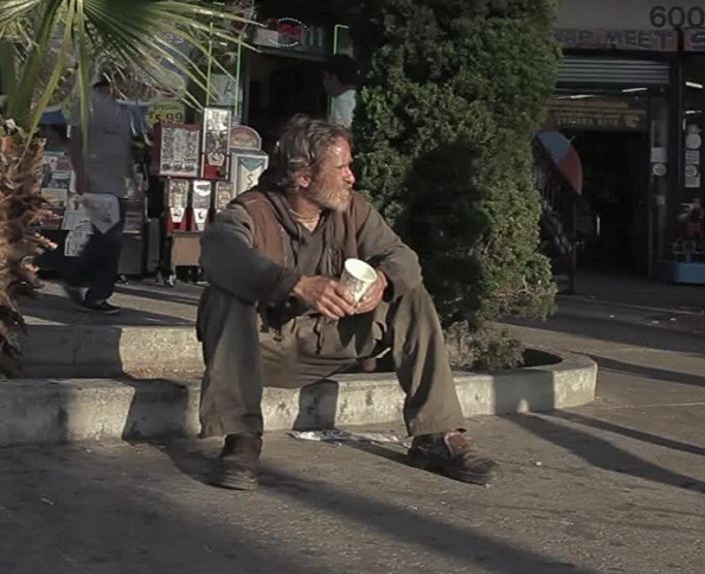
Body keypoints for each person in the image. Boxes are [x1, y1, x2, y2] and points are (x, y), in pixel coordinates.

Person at [197, 115, 499, 491]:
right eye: (340, 168)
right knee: (222, 295)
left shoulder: (353, 209)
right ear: (303, 176)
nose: (351, 177)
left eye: (349, 167)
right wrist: (296, 285)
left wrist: (383, 281)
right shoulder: (251, 211)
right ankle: (241, 438)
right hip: (265, 350)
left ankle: (436, 435)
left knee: (411, 292)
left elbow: (403, 257)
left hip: (336, 340)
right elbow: (219, 251)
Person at [62, 72, 138, 314]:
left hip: (118, 184)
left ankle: (76, 278)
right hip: (96, 181)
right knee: (110, 239)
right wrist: (80, 175)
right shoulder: (88, 102)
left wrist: (132, 178)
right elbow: (75, 141)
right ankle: (96, 293)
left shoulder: (124, 108)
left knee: (105, 238)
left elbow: (125, 146)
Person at [322, 55, 358, 127]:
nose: (323, 81)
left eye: (324, 76)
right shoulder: (359, 97)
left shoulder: (341, 102)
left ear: (334, 78)